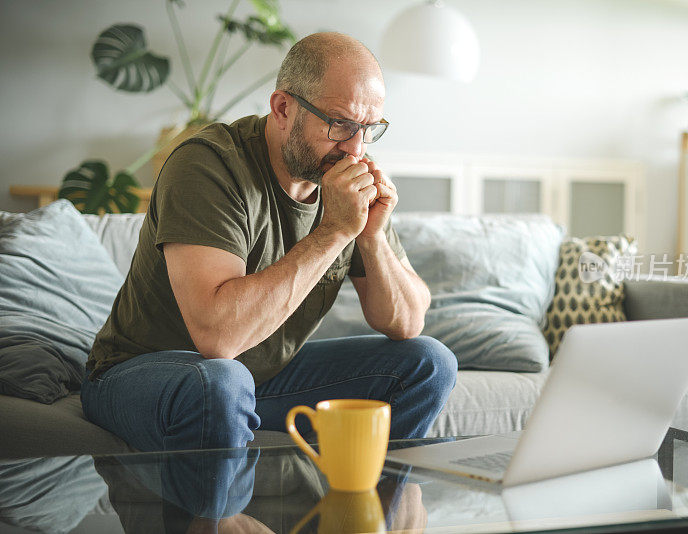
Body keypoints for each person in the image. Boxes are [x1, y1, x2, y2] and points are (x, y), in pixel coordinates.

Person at [80, 32, 458, 452]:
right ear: (282, 108)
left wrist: (370, 237)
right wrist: (332, 233)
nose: (355, 149)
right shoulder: (207, 164)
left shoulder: (344, 176)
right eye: (340, 125)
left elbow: (406, 322)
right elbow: (218, 338)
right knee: (222, 381)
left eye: (370, 129)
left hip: (255, 379)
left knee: (428, 363)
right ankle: (228, 518)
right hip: (141, 375)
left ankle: (363, 512)